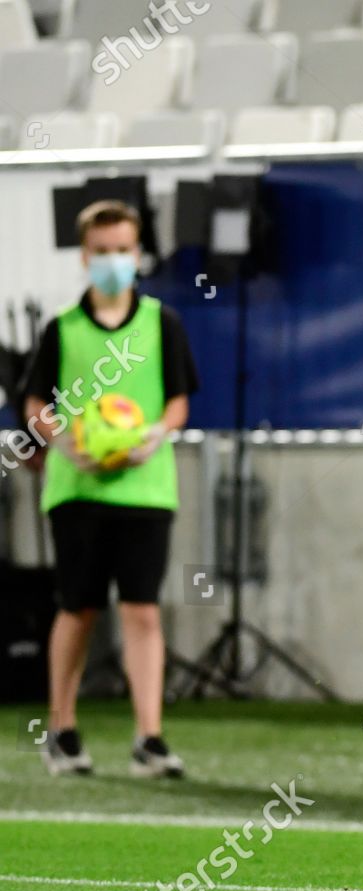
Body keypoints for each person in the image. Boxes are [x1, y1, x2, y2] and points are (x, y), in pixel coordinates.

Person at [22, 200, 198, 779]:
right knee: (78, 608)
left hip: (145, 490)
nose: (113, 261)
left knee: (143, 610)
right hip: (77, 490)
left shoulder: (161, 322)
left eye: (123, 250)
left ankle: (149, 737)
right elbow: (34, 403)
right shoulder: (61, 329)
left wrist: (153, 434)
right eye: (102, 252)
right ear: (84, 256)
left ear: (138, 253)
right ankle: (62, 730)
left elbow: (178, 400)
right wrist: (61, 439)